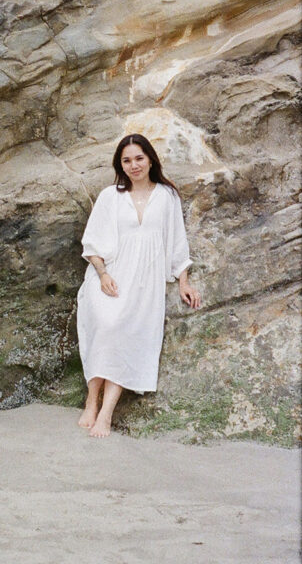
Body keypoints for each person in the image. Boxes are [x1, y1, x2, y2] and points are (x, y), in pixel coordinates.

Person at [76, 134, 201, 438]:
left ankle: (106, 412)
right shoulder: (110, 196)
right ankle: (92, 400)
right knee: (105, 324)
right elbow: (91, 242)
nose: (134, 165)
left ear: (150, 159)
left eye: (139, 158)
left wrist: (183, 280)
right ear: (120, 165)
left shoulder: (167, 196)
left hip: (144, 282)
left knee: (125, 332)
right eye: (127, 160)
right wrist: (103, 274)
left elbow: (176, 241)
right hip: (111, 275)